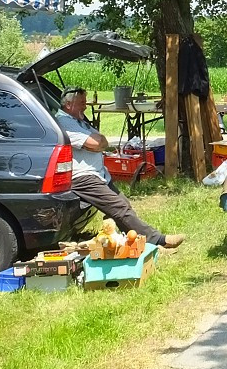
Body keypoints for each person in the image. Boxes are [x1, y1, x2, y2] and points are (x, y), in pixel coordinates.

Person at [56, 88, 184, 249]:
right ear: (68, 104)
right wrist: (97, 143)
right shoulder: (65, 123)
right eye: (82, 103)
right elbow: (97, 143)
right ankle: (157, 240)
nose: (85, 107)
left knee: (122, 203)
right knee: (119, 207)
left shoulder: (77, 120)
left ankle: (125, 241)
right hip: (82, 177)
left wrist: (98, 143)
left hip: (97, 174)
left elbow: (102, 142)